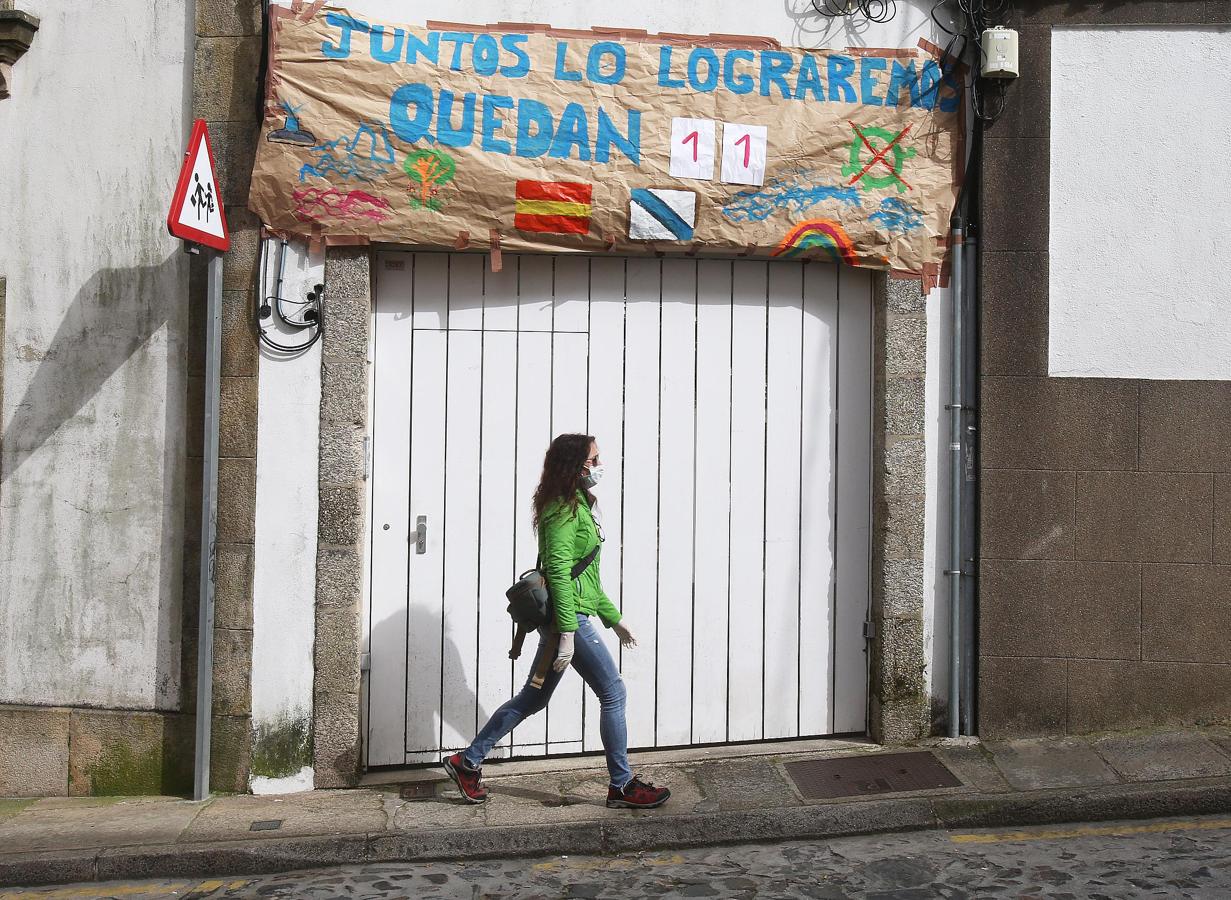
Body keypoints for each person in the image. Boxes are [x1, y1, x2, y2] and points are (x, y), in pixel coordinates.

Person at [444, 434, 671, 810]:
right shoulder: (562, 510)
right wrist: (567, 631)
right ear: (576, 465)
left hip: (574, 615)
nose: (599, 466)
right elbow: (561, 574)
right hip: (570, 620)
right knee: (613, 691)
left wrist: (614, 620)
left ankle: (466, 762)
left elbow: (587, 577)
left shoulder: (579, 503)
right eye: (594, 459)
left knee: (533, 698)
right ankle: (622, 784)